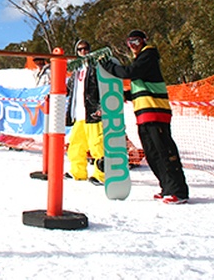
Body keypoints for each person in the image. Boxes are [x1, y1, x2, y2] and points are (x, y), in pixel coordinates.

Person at [100, 29, 189, 204]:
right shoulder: (141, 58)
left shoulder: (148, 55)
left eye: (136, 42)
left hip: (156, 113)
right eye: (129, 43)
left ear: (144, 41)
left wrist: (109, 67)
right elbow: (141, 86)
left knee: (164, 151)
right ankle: (166, 187)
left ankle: (179, 191)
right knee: (152, 153)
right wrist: (126, 95)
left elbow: (130, 72)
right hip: (144, 115)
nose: (133, 46)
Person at [65, 40, 105, 185]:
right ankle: (78, 171)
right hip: (79, 113)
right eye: (80, 49)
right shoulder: (76, 70)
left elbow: (103, 87)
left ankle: (101, 174)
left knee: (97, 144)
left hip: (92, 111)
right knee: (76, 144)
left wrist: (100, 107)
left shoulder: (95, 67)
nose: (83, 52)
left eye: (86, 49)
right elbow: (68, 89)